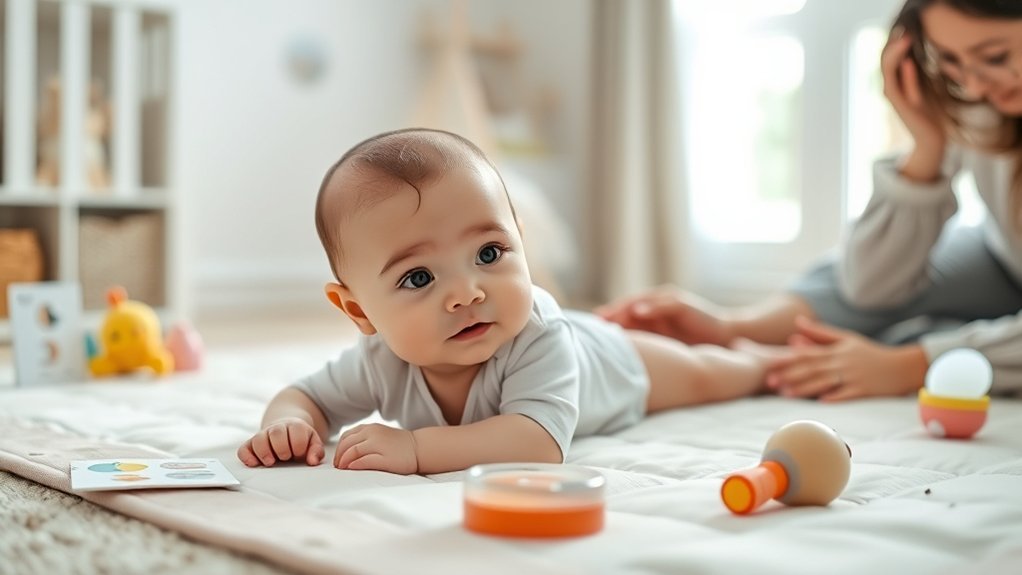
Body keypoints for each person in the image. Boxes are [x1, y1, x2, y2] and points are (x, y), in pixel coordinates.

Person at [237, 128, 770, 474]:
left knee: (706, 375)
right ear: (358, 311)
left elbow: (538, 441)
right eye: (419, 277)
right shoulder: (381, 362)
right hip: (593, 352)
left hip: (612, 362)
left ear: (520, 239)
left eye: (490, 252)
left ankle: (766, 360)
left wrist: (417, 450)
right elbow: (305, 396)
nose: (468, 292)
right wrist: (288, 425)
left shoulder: (535, 334)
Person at [598, 0, 1022, 402]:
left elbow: (898, 347)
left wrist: (909, 366)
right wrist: (926, 147)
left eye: (996, 57)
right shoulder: (984, 107)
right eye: (950, 60)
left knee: (907, 338)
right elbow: (871, 286)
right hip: (1006, 262)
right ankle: (737, 331)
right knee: (871, 262)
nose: (972, 83)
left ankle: (898, 347)